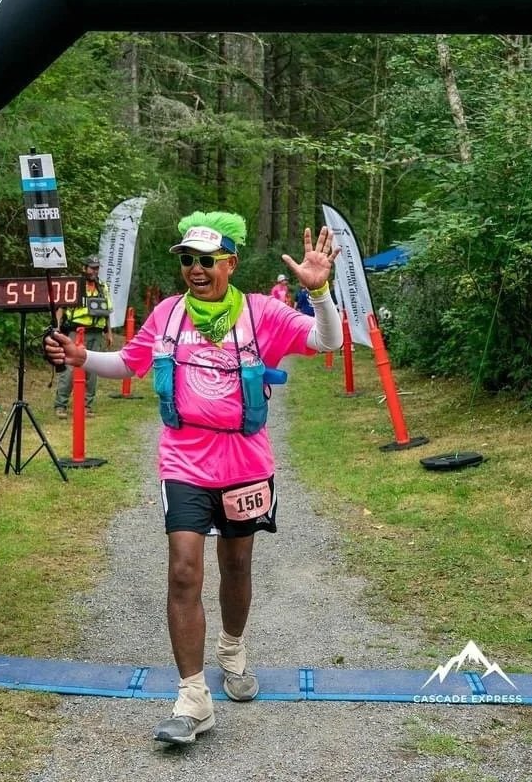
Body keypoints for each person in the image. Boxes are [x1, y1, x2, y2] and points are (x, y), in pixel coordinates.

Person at [45, 211, 342, 746]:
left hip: (245, 464)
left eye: (206, 260)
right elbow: (131, 363)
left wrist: (318, 293)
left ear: (229, 262)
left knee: (237, 564)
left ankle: (232, 648)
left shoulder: (261, 314)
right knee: (183, 570)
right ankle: (193, 698)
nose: (195, 269)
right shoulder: (167, 314)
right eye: (187, 259)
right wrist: (82, 356)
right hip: (183, 460)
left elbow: (327, 342)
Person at [53, 254, 114, 419]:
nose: (95, 271)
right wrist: (57, 327)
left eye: (97, 268)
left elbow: (106, 312)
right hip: (76, 331)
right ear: (84, 268)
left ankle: (86, 406)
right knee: (70, 369)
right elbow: (61, 308)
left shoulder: (102, 287)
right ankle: (61, 405)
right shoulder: (74, 285)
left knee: (92, 370)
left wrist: (108, 332)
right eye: (92, 268)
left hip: (96, 332)